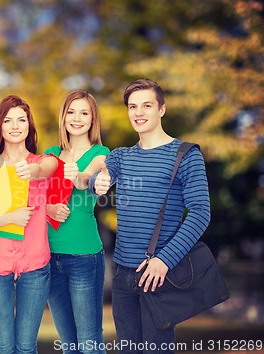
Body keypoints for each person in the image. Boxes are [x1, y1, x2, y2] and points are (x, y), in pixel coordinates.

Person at [89, 79, 210, 353]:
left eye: (146, 105)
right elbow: (96, 179)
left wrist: (164, 261)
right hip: (122, 274)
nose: (138, 113)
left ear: (162, 109)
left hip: (159, 275)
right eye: (133, 107)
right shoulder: (122, 156)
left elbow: (200, 213)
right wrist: (98, 180)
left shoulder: (186, 155)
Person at [0, 95, 58, 354]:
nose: (15, 125)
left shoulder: (41, 163)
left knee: (26, 346)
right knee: (4, 347)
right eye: (8, 120)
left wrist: (34, 172)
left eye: (21, 119)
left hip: (35, 264)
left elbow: (50, 167)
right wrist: (8, 218)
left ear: (29, 125)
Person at [45, 90, 110, 354]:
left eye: (84, 112)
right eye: (71, 112)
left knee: (89, 342)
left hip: (84, 256)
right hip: (49, 256)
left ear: (93, 119)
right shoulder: (50, 153)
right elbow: (35, 198)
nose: (77, 118)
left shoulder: (101, 153)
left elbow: (88, 179)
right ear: (63, 117)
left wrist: (78, 175)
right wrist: (49, 208)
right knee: (68, 344)